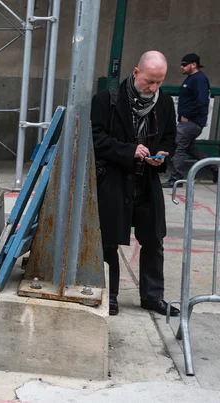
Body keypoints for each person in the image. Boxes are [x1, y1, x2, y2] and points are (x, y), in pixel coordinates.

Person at [91, 50, 179, 317]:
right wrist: (129, 151)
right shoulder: (107, 100)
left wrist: (162, 156)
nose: (153, 88)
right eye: (149, 81)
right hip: (114, 180)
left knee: (154, 238)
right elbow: (95, 137)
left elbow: (169, 138)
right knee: (108, 239)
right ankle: (111, 295)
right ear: (136, 72)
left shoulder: (163, 103)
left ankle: (152, 296)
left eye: (159, 82)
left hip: (146, 180)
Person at [163, 53, 218, 188]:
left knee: (177, 147)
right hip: (190, 122)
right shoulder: (192, 79)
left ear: (194, 65)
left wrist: (187, 115)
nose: (182, 67)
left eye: (184, 64)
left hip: (191, 122)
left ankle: (176, 178)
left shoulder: (199, 79)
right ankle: (215, 167)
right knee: (189, 148)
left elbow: (202, 101)